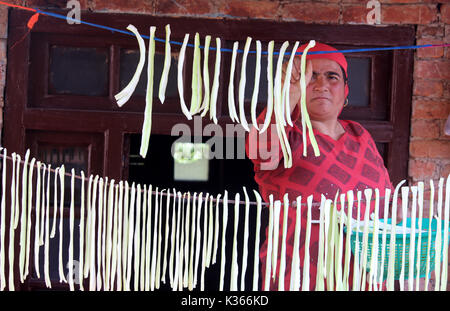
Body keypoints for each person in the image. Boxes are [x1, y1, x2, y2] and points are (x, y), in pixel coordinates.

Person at [245, 42, 395, 290]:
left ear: (346, 91)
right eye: (310, 76)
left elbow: (387, 197)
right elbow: (261, 151)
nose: (321, 84)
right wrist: (287, 95)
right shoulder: (287, 133)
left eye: (331, 76)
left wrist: (401, 211)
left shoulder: (360, 134)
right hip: (299, 279)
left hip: (363, 279)